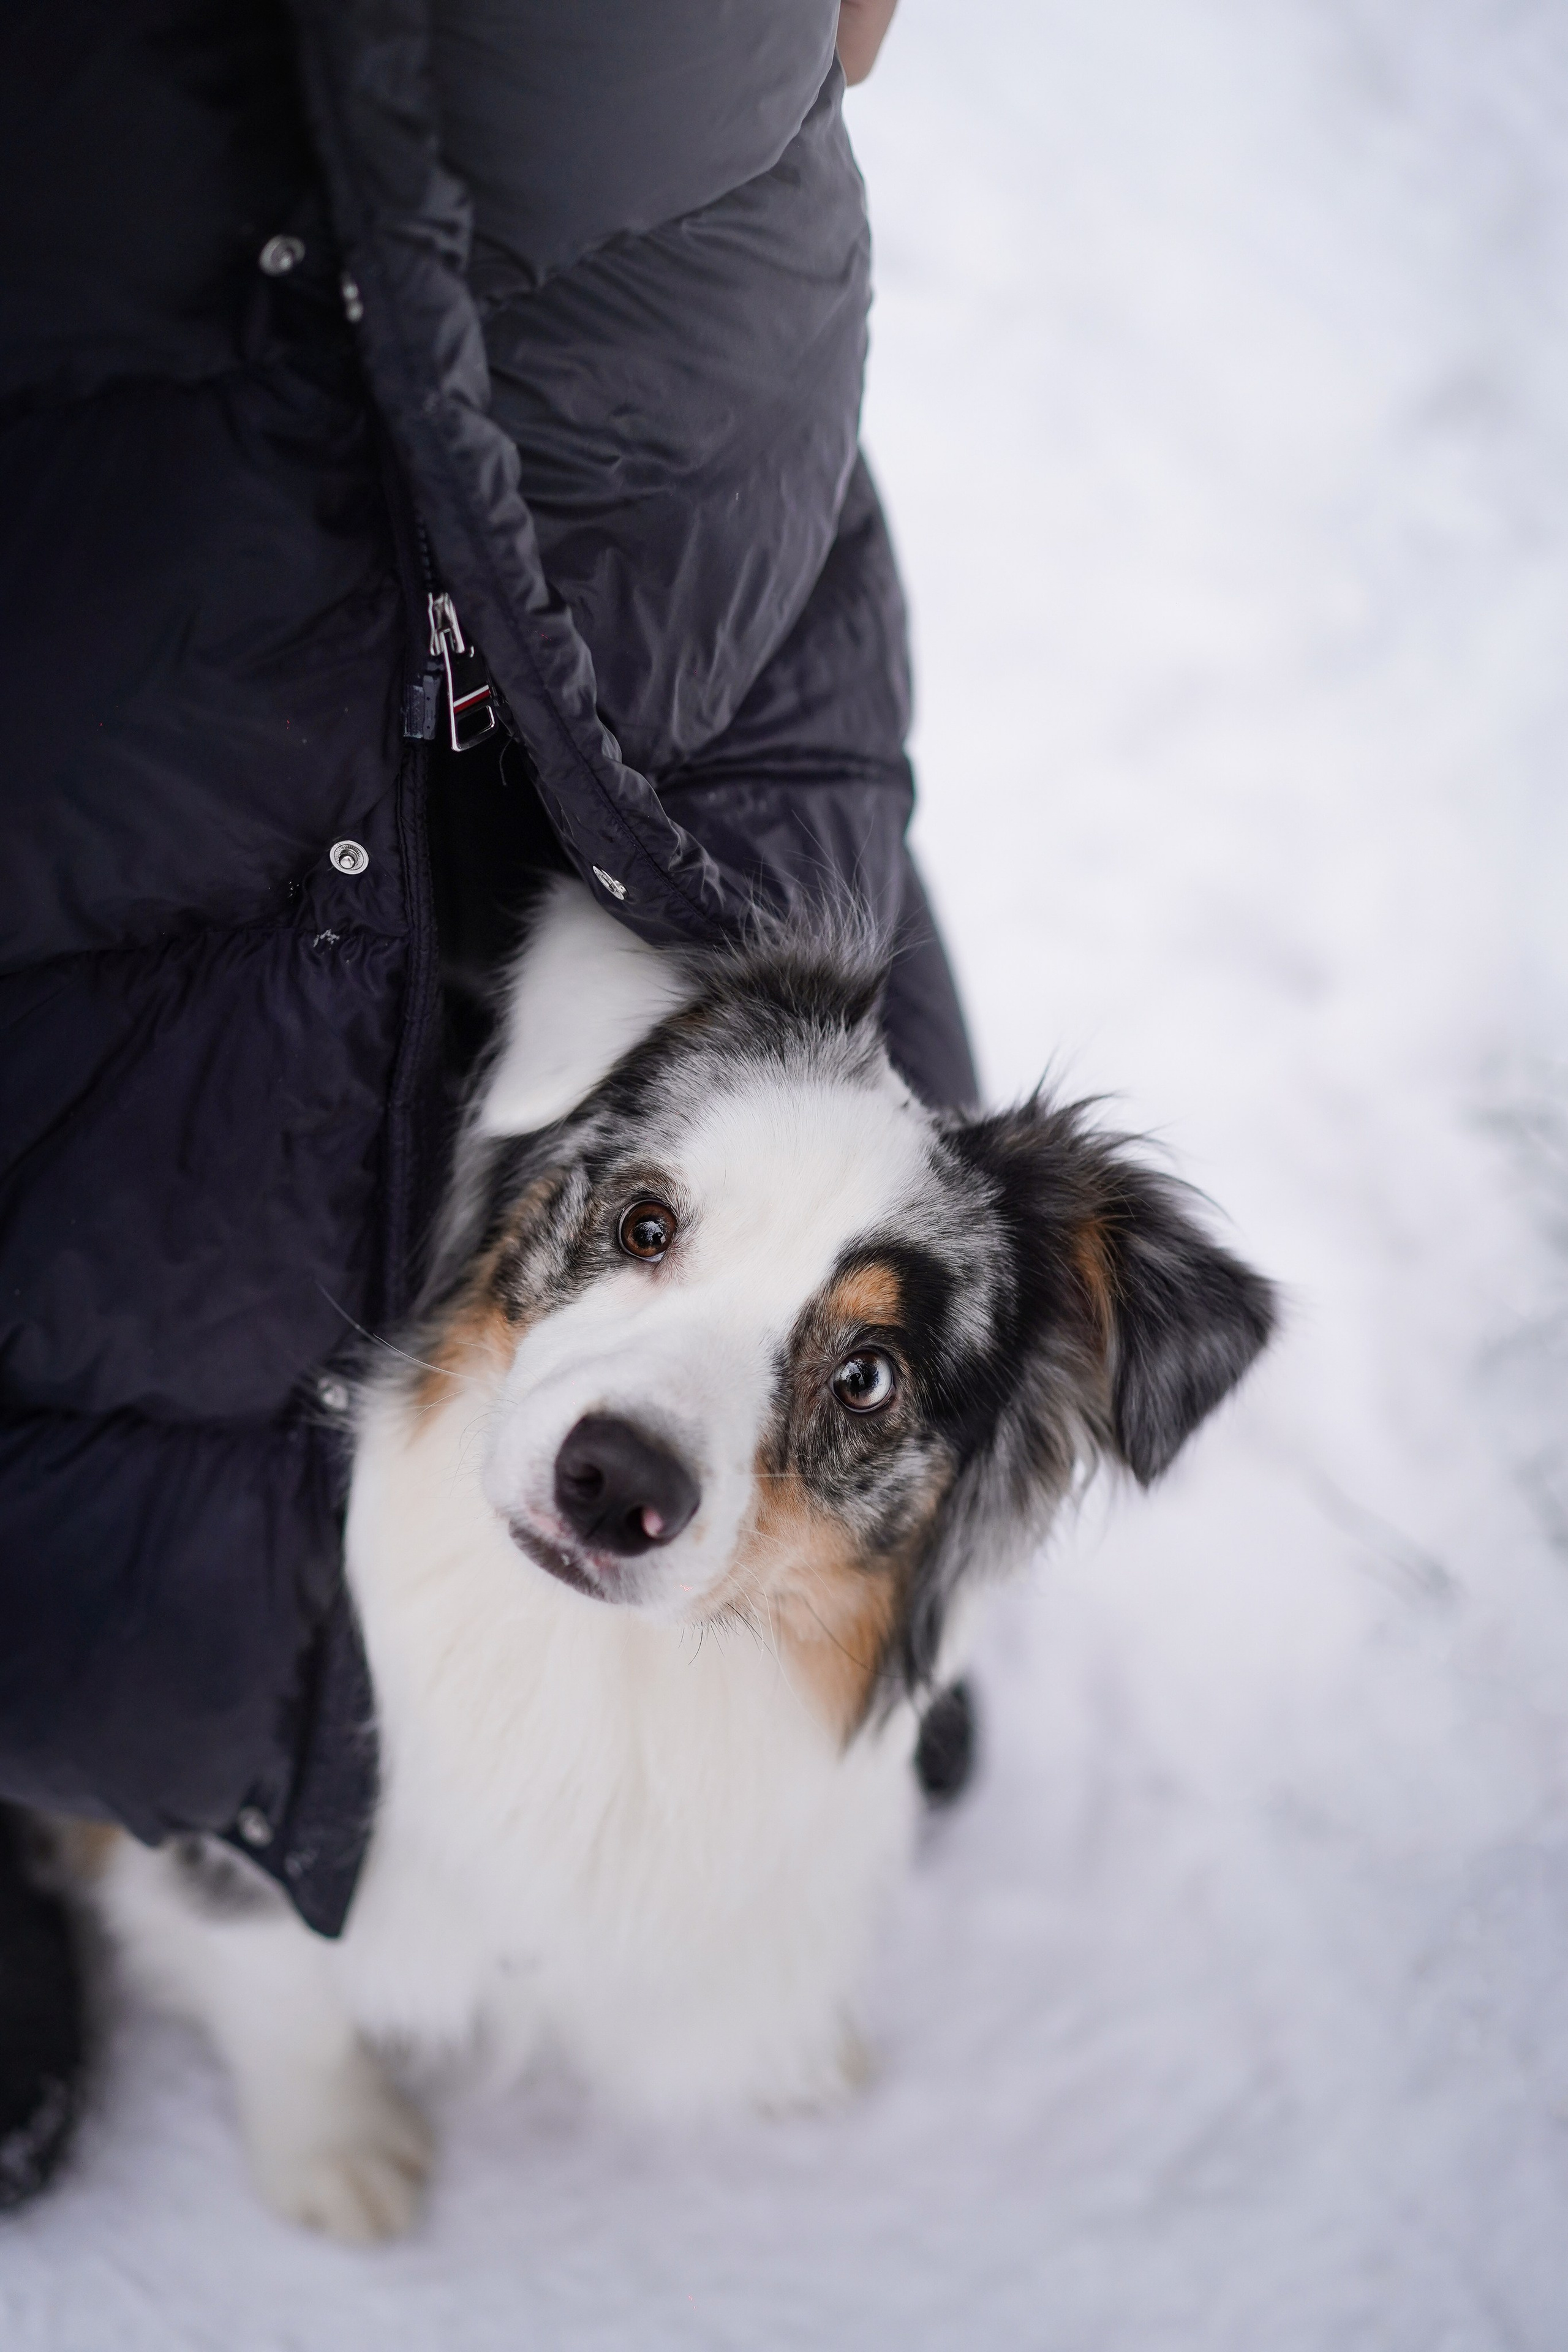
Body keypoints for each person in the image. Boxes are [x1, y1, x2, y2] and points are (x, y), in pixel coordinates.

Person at [0, 0, 975, 2203]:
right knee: (121, 1246)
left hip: (632, 211)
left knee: (766, 880)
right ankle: (171, 1822)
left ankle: (860, 1642)